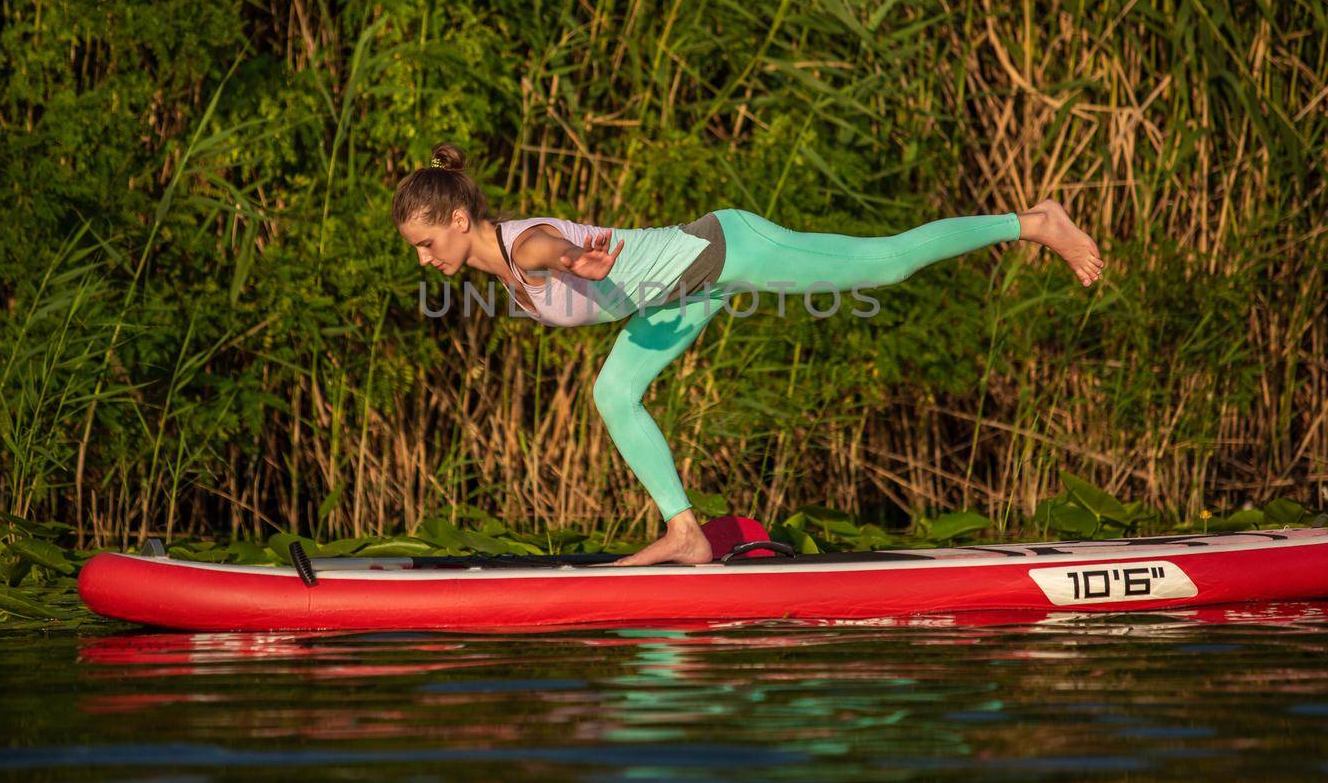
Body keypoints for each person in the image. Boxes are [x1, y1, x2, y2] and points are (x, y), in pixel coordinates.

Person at [393, 143, 1104, 565]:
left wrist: (579, 258)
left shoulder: (523, 247)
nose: (427, 259)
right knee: (613, 393)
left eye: (428, 242)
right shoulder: (504, 271)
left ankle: (1035, 221)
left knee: (884, 266)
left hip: (724, 249)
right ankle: (685, 532)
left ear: (460, 219)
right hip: (678, 300)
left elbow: (551, 245)